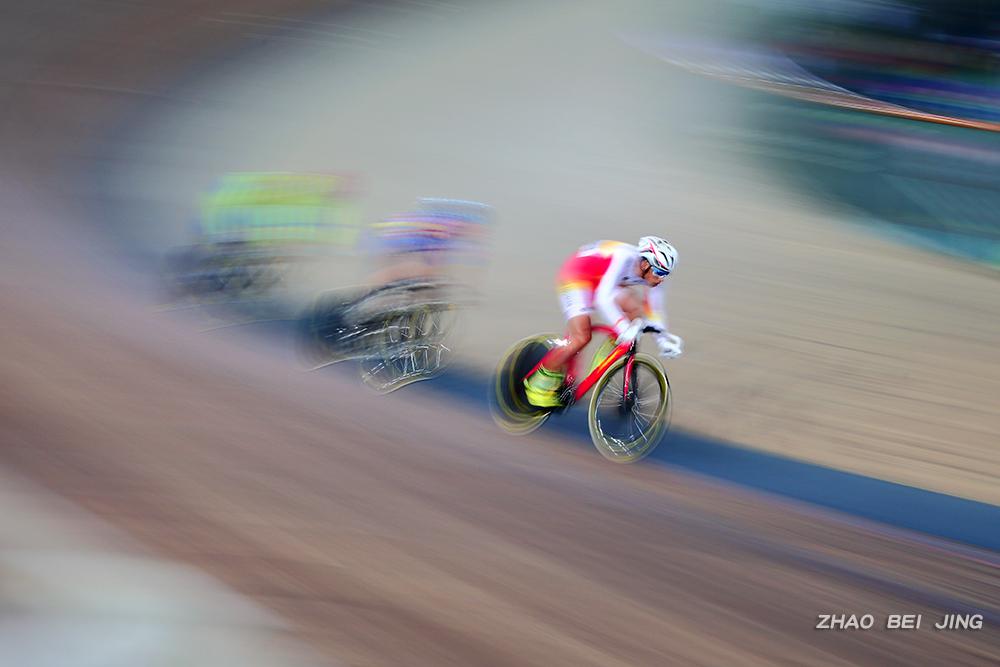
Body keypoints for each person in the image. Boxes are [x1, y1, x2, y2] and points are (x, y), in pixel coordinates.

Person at [523, 236, 684, 408]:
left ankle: (607, 356)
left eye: (666, 274)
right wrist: (622, 328)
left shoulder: (654, 276)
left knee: (636, 311)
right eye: (659, 273)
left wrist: (663, 341)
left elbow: (654, 310)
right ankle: (537, 385)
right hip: (576, 276)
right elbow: (603, 299)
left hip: (601, 281)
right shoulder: (623, 257)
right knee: (581, 337)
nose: (661, 279)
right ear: (645, 264)